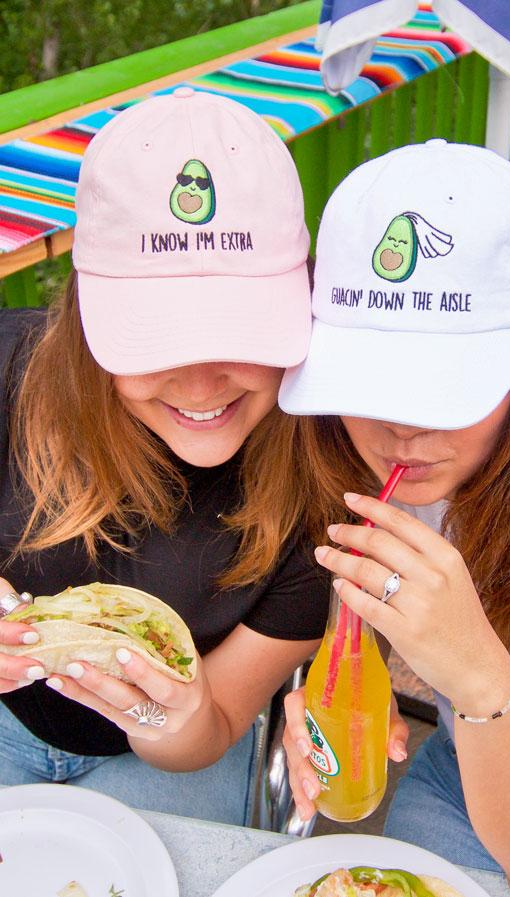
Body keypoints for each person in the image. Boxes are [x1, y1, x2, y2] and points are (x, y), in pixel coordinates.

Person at [0, 88, 331, 825]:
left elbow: (208, 732)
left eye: (241, 334)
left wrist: (169, 717)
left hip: (168, 762)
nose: (203, 383)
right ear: (88, 312)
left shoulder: (321, 490)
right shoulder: (12, 373)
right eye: (156, 339)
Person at [278, 140, 510, 896]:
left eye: (441, 388)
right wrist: (348, 678)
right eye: (369, 378)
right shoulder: (354, 453)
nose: (401, 430)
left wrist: (479, 676)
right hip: (468, 769)